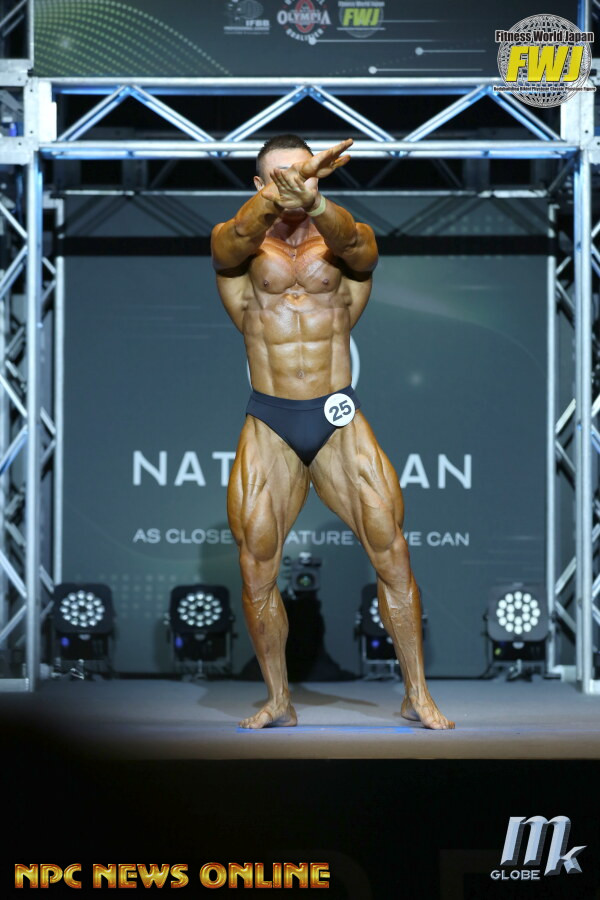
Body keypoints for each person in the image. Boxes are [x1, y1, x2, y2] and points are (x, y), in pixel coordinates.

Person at [211, 134, 454, 730]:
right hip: (270, 418)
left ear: (322, 178)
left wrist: (315, 202)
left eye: (305, 175)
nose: (294, 186)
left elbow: (358, 248)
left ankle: (416, 694)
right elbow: (236, 235)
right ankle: (279, 699)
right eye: (279, 178)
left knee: (392, 552)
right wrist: (282, 197)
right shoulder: (235, 245)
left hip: (337, 414)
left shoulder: (346, 242)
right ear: (258, 186)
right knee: (256, 566)